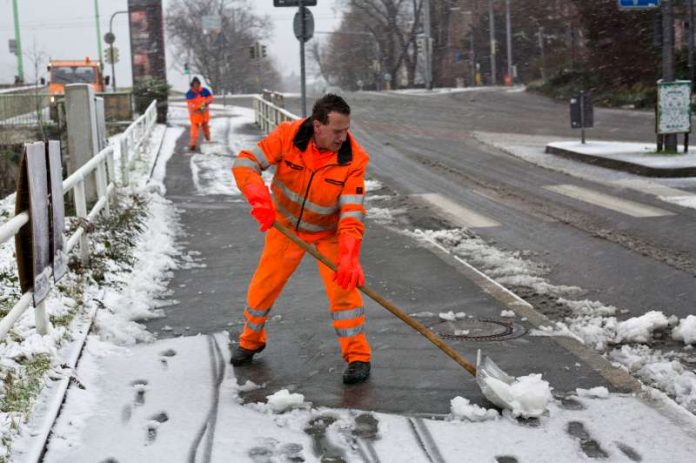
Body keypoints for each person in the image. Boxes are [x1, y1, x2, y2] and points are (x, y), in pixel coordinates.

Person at [230, 94, 371, 385]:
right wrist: (259, 199)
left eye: (346, 130)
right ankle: (251, 340)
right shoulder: (287, 136)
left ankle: (358, 357)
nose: (343, 137)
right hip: (285, 227)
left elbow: (351, 214)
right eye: (337, 131)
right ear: (317, 126)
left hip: (328, 233)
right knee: (262, 289)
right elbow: (245, 163)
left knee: (345, 293)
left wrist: (348, 255)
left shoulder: (353, 160)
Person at [185, 77, 213, 151]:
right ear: (192, 85)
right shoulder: (189, 93)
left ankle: (208, 138)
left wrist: (204, 104)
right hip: (195, 115)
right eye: (194, 84)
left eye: (197, 84)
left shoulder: (204, 91)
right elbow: (190, 104)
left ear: (199, 84)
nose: (196, 85)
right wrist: (198, 107)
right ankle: (193, 144)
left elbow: (210, 98)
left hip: (204, 114)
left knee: (205, 127)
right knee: (194, 130)